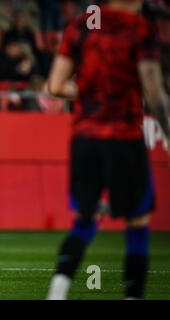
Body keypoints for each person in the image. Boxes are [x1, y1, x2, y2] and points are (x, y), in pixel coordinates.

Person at [45, 0, 170, 300]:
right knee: (137, 221)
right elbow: (152, 91)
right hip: (124, 137)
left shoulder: (78, 27)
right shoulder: (139, 29)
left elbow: (55, 85)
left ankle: (57, 292)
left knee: (85, 219)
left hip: (85, 137)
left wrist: (91, 92)